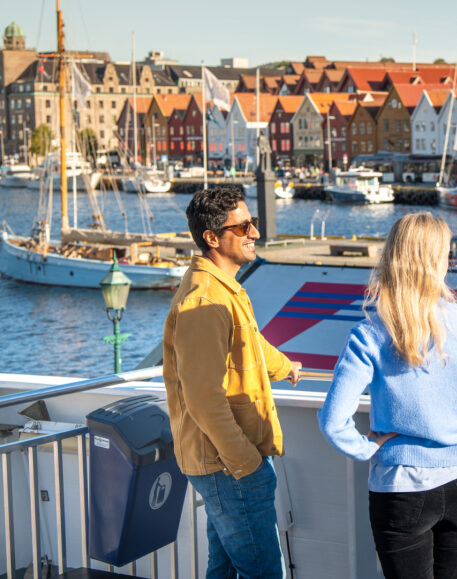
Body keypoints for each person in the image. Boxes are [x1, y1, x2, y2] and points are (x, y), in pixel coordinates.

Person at [318, 212, 457, 579]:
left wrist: (367, 448)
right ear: (437, 261)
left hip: (402, 487)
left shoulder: (370, 333)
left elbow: (332, 421)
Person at [162, 185, 302, 579]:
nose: (254, 233)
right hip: (229, 466)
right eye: (243, 228)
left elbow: (246, 340)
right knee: (263, 573)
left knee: (222, 568)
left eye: (252, 224)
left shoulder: (222, 292)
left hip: (226, 464)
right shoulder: (205, 303)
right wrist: (247, 464)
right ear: (212, 237)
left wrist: (283, 365)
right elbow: (203, 399)